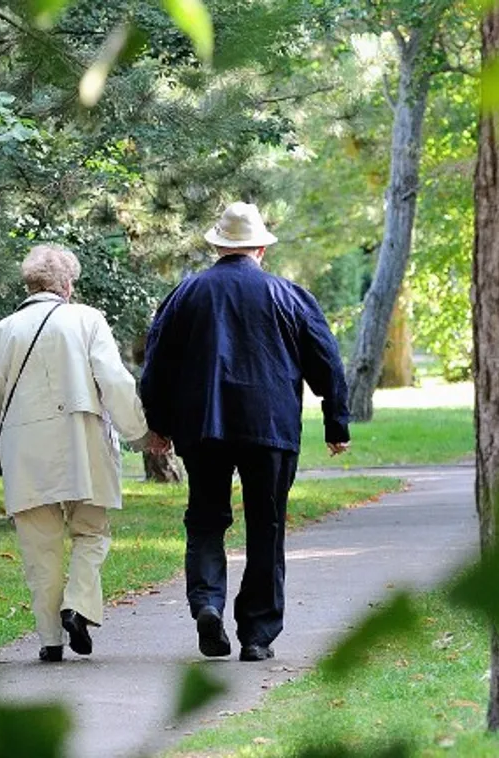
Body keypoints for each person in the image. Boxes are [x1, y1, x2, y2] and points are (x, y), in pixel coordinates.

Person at [140, 202, 351, 662]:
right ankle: (257, 635)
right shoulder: (289, 295)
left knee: (205, 519)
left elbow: (156, 363)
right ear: (261, 248)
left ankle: (207, 604)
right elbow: (326, 360)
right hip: (269, 427)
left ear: (218, 246)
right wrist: (336, 421)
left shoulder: (187, 293)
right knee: (267, 526)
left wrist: (158, 424)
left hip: (203, 426)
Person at [0, 244, 150, 663]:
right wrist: (138, 431)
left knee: (39, 548)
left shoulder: (2, 331)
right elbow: (114, 382)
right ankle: (78, 606)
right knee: (91, 533)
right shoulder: (86, 319)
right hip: (82, 443)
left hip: (24, 452)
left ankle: (50, 640)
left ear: (30, 283)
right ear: (67, 284)